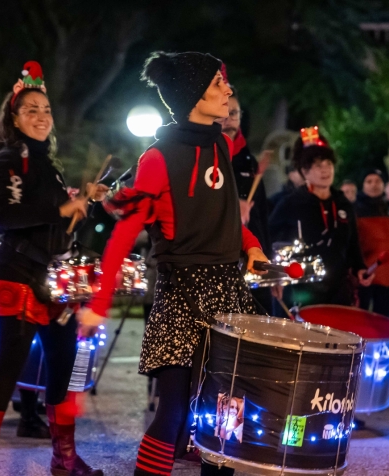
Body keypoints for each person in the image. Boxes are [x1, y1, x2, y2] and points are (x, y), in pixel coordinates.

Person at [78, 51, 268, 476]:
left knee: (226, 416)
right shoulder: (157, 158)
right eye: (218, 84)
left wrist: (251, 246)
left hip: (228, 292)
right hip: (181, 293)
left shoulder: (220, 143)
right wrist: (100, 302)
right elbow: (123, 236)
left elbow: (225, 218)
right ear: (193, 95)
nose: (229, 90)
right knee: (174, 412)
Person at [0, 62, 104, 476]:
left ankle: (64, 457)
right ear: (14, 118)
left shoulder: (48, 164)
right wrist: (62, 206)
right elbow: (6, 216)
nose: (41, 116)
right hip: (15, 274)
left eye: (45, 109)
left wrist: (85, 199)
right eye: (31, 110)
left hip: (51, 280)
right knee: (8, 363)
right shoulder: (8, 158)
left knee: (63, 363)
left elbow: (52, 219)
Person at [269, 132, 372, 306]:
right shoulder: (290, 203)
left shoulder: (343, 203)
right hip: (300, 291)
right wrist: (274, 275)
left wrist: (360, 268)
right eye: (317, 165)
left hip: (338, 291)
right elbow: (269, 239)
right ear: (304, 171)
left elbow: (353, 242)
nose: (325, 169)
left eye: (328, 164)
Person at [220, 85, 273, 312]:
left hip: (251, 261)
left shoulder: (249, 162)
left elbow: (261, 217)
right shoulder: (201, 157)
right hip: (218, 265)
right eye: (224, 113)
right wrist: (231, 207)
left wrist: (268, 263)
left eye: (235, 113)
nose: (229, 119)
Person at [354, 169, 389, 317]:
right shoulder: (355, 209)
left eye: (377, 181)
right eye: (369, 181)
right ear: (363, 185)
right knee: (363, 317)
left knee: (387, 318)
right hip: (367, 272)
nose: (374, 185)